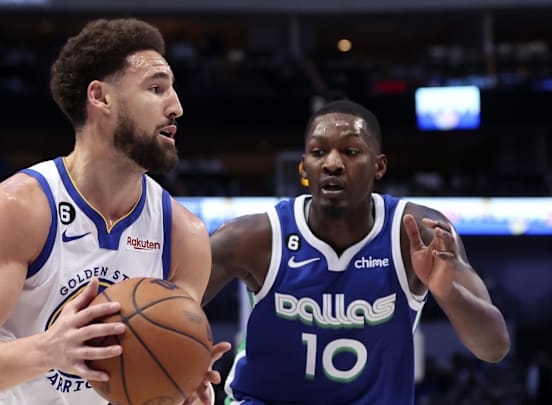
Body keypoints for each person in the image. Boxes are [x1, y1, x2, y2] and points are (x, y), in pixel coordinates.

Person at [0, 18, 229, 405]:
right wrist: (52, 349)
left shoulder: (185, 236)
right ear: (100, 97)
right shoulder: (19, 209)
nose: (177, 107)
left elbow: (146, 367)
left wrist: (179, 384)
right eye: (156, 88)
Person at [202, 99, 510, 404]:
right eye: (319, 152)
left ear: (379, 166)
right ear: (304, 167)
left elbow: (494, 347)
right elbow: (168, 306)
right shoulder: (254, 238)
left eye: (350, 152)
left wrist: (447, 292)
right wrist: (181, 363)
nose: (332, 163)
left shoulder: (418, 233)